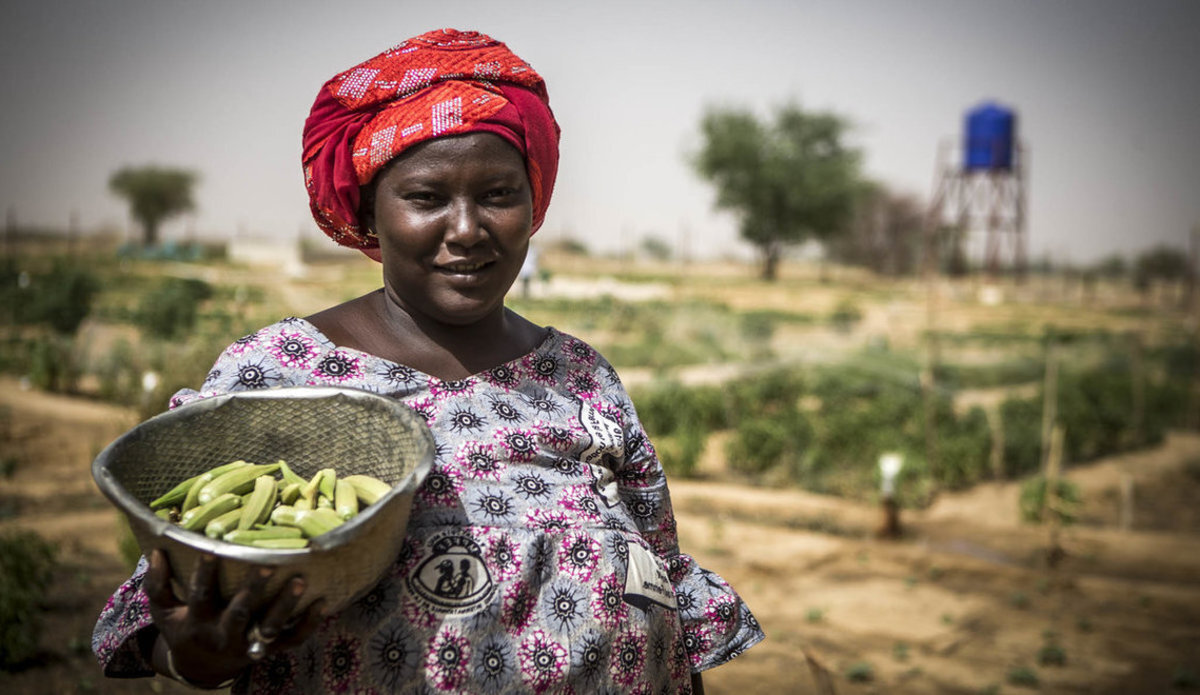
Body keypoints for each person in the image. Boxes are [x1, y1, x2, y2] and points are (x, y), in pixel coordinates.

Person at [92, 28, 764, 693]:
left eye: (498, 194)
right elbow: (181, 595)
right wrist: (197, 657)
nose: (467, 227)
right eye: (426, 197)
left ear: (532, 206)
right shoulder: (280, 370)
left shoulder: (582, 377)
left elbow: (665, 586)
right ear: (371, 213)